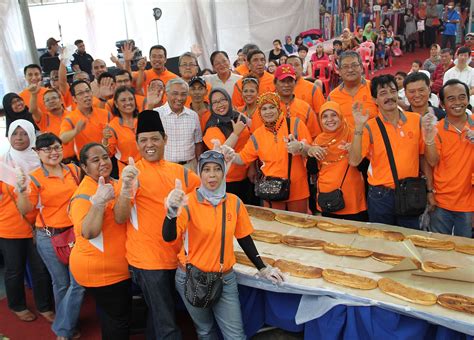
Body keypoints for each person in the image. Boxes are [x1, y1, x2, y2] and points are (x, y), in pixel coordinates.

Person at [162, 149, 284, 339]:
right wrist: (171, 213)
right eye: (206, 169)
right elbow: (169, 237)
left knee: (235, 336)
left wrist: (263, 267)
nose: (212, 175)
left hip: (225, 278)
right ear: (200, 173)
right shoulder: (188, 203)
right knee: (205, 331)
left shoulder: (234, 202)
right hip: (192, 277)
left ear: (224, 172)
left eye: (217, 169)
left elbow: (244, 238)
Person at [113, 110, 200, 339]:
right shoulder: (132, 173)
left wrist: (223, 165)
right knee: (167, 323)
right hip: (149, 260)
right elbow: (120, 217)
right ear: (137, 143)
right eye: (143, 140)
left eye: (154, 139)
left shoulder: (179, 171)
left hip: (178, 256)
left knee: (161, 314)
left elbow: (203, 195)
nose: (149, 144)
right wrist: (125, 189)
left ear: (165, 139)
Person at [18, 133, 84, 339]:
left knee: (79, 283)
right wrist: (21, 190)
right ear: (37, 153)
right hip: (49, 236)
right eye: (46, 150)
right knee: (61, 283)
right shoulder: (35, 177)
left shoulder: (74, 170)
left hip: (75, 234)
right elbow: (26, 209)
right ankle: (68, 327)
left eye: (56, 147)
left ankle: (62, 328)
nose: (53, 153)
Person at [69, 143, 132, 339]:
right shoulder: (83, 195)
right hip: (103, 272)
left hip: (113, 268)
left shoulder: (110, 182)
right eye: (96, 160)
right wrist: (98, 204)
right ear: (85, 168)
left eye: (105, 157)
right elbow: (88, 232)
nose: (103, 162)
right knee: (118, 320)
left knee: (111, 316)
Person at [348, 75, 426, 228]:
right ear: (375, 100)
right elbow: (354, 160)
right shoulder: (369, 126)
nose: (390, 97)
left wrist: (429, 190)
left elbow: (423, 157)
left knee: (410, 240)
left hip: (410, 191)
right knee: (383, 242)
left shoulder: (416, 120)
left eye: (393, 91)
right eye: (383, 93)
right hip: (381, 196)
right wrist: (358, 127)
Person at [0, 120, 54, 323]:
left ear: (32, 136)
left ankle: (45, 305)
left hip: (40, 224)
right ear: (9, 137)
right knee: (15, 269)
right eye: (15, 134)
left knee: (40, 268)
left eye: (24, 134)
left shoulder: (42, 160)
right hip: (10, 226)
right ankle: (17, 304)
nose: (19, 138)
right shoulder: (2, 164)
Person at [229, 92, 312, 213]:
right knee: (274, 229)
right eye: (264, 109)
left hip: (298, 190)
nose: (268, 112)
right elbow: (242, 159)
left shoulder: (296, 124)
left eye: (272, 107)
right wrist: (227, 153)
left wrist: (300, 147)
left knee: (299, 228)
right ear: (260, 112)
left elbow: (310, 152)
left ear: (278, 108)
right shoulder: (258, 134)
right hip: (271, 191)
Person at [423, 79, 473, 237]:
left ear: (468, 99)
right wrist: (429, 138)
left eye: (462, 97)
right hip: (441, 201)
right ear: (442, 104)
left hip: (469, 203)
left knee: (464, 252)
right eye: (451, 99)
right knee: (438, 249)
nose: (457, 102)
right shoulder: (436, 129)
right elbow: (431, 162)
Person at [307, 102, 367, 221]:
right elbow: (312, 170)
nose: (330, 120)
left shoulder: (353, 134)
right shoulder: (319, 139)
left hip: (352, 198)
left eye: (333, 115)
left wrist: (353, 150)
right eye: (325, 116)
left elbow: (363, 167)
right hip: (327, 197)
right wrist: (311, 152)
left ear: (340, 116)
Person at [203, 88, 251, 202]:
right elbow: (220, 152)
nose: (220, 105)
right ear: (211, 106)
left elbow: (250, 143)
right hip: (227, 180)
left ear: (229, 101)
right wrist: (235, 133)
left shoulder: (238, 117)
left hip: (247, 177)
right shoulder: (212, 126)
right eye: (215, 102)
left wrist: (252, 167)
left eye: (223, 100)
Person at [155, 78, 203, 171]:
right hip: (164, 167)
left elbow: (198, 143)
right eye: (175, 93)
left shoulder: (193, 116)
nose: (179, 98)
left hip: (189, 167)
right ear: (167, 93)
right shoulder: (156, 114)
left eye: (183, 94)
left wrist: (199, 166)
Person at [60, 80, 112, 160]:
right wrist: (75, 131)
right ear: (74, 99)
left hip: (107, 158)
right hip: (87, 162)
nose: (86, 95)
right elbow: (62, 139)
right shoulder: (70, 118)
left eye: (88, 91)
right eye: (81, 93)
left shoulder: (106, 114)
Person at [327, 51, 378, 128]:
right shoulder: (332, 97)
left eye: (354, 65)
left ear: (361, 68)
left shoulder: (374, 88)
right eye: (345, 67)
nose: (350, 70)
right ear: (339, 72)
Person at [103, 86, 144, 175]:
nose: (128, 102)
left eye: (130, 99)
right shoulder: (112, 126)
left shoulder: (143, 119)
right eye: (123, 100)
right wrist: (105, 139)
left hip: (147, 167)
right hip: (127, 171)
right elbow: (108, 153)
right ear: (116, 104)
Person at [30, 88, 76, 160]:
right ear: (44, 105)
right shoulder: (43, 119)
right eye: (47, 100)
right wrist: (33, 94)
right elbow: (33, 110)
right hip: (56, 161)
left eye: (54, 98)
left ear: (61, 100)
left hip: (75, 159)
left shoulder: (72, 115)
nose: (51, 101)